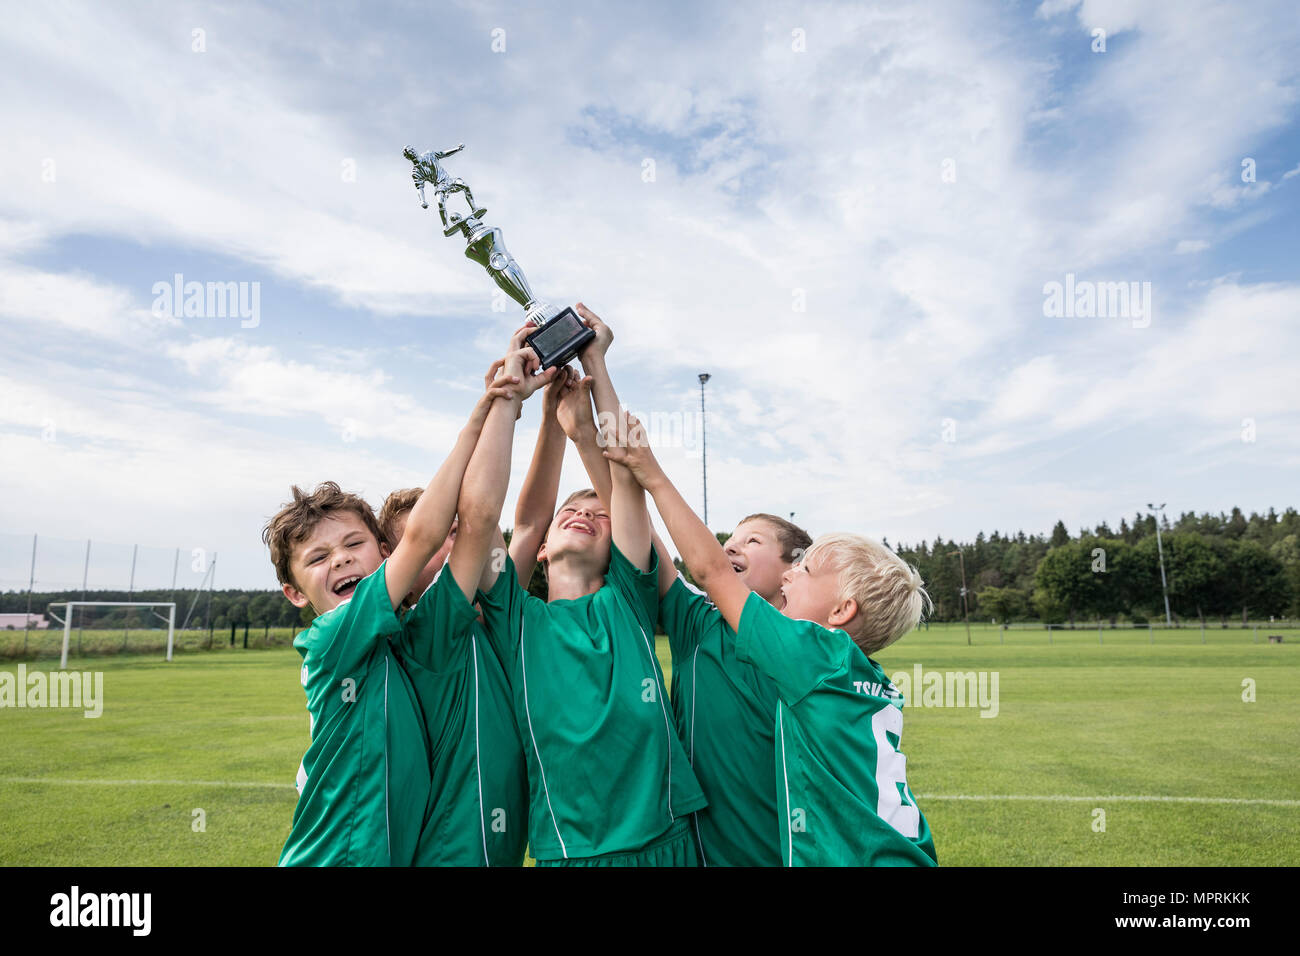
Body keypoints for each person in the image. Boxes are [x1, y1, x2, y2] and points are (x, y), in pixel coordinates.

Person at [604, 408, 938, 866]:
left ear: (841, 611)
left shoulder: (817, 656)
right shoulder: (867, 679)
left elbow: (709, 570)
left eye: (805, 569)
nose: (790, 578)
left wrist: (653, 474)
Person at [264, 345, 551, 866]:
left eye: (354, 545)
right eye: (319, 557)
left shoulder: (403, 636)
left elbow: (480, 520)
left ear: (380, 555)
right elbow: (426, 535)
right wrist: (488, 407)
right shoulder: (332, 637)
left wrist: (507, 402)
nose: (342, 562)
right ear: (294, 593)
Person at [474, 303, 707, 865]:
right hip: (571, 851)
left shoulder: (627, 602)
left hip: (664, 842)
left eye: (599, 517)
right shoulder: (515, 617)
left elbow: (625, 482)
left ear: (617, 550)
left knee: (617, 487)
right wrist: (526, 405)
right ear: (545, 548)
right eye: (569, 515)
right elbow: (520, 519)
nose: (586, 516)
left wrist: (597, 364)